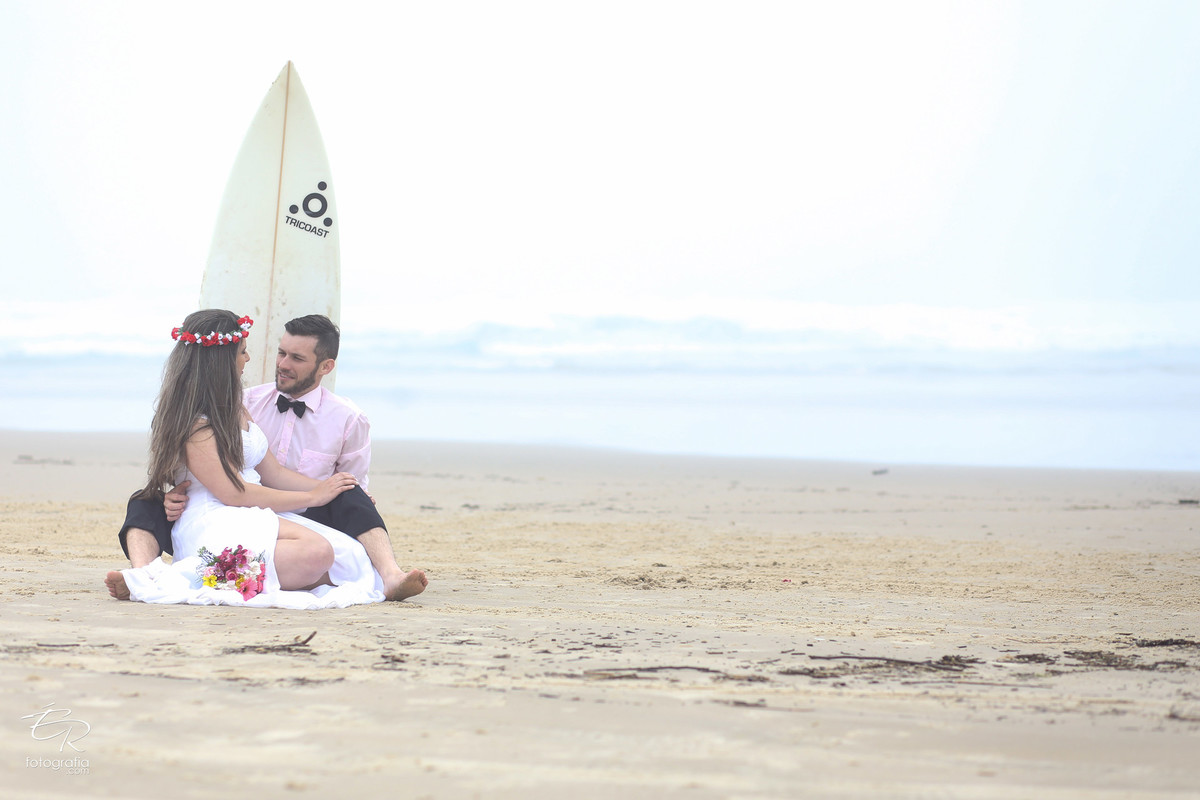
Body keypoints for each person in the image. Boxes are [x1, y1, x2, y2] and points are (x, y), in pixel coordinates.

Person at [104, 309, 427, 608]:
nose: (250, 358)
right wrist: (313, 494)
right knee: (317, 554)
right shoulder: (209, 417)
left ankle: (388, 575)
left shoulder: (241, 405)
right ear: (222, 360)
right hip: (221, 511)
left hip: (257, 507)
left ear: (325, 366)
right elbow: (231, 491)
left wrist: (327, 489)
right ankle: (163, 577)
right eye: (243, 351)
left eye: (296, 357)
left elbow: (271, 472)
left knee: (351, 556)